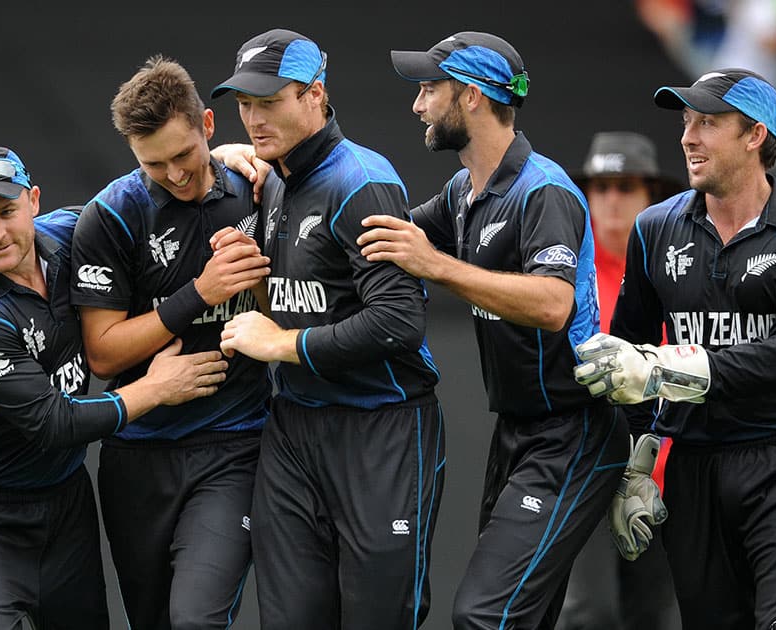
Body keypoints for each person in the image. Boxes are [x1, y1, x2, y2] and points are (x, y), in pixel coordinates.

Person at [356, 31, 630, 629]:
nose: (418, 105)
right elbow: (380, 234)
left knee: (484, 616)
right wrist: (247, 165)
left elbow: (555, 304)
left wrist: (437, 266)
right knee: (514, 618)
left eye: (430, 89)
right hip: (519, 433)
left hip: (573, 433)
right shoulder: (464, 189)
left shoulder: (544, 190)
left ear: (473, 97)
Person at [574, 68, 776, 630]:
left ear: (755, 135)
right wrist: (636, 466)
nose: (688, 137)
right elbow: (629, 353)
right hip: (693, 470)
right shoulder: (656, 228)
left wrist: (674, 366)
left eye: (708, 123)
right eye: (686, 121)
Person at [0, 143, 226, 629]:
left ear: (34, 200)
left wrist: (222, 158)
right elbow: (54, 422)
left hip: (65, 503)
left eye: (6, 211)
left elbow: (142, 200)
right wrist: (156, 388)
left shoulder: (71, 235)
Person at [210, 28, 446, 630]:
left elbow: (398, 322)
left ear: (315, 94)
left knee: (377, 618)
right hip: (294, 429)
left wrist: (282, 344)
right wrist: (217, 155)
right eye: (245, 104)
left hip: (380, 429)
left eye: (270, 101)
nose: (254, 119)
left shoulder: (359, 179)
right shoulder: (270, 177)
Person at [69, 56, 272, 629]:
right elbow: (103, 353)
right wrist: (200, 293)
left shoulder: (257, 187)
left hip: (235, 445)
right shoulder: (112, 216)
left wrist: (259, 284)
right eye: (153, 164)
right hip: (138, 457)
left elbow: (288, 310)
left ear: (209, 125)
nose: (176, 174)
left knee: (196, 620)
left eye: (184, 155)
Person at [554, 131, 682, 630]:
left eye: (625, 185)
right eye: (600, 185)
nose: (610, 198)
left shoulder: (677, 273)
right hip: (582, 468)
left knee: (656, 618)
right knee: (588, 615)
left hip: (660, 475)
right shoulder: (561, 272)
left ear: (651, 197)